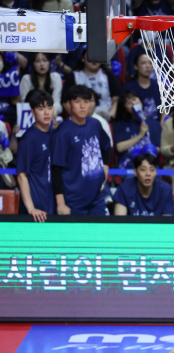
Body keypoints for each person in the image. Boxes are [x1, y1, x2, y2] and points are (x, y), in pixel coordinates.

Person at [52, 85, 111, 216]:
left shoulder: (95, 124)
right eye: (78, 102)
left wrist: (105, 171)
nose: (83, 106)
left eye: (86, 101)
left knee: (101, 235)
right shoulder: (62, 133)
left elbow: (107, 147)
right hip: (73, 201)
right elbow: (56, 170)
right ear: (68, 104)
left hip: (96, 197)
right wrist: (61, 204)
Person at [16, 90, 55, 222]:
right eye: (41, 109)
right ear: (32, 112)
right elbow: (22, 176)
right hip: (36, 211)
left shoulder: (56, 135)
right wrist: (31, 208)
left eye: (49, 108)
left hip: (54, 206)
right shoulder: (28, 140)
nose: (46, 113)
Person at [62, 47, 121, 120]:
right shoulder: (73, 76)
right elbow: (65, 101)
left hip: (106, 117)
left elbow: (116, 100)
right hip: (80, 119)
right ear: (83, 59)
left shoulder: (109, 76)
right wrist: (77, 118)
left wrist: (110, 117)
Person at [114, 90, 162, 169]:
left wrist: (145, 153)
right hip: (128, 162)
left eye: (134, 99)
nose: (133, 103)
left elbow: (159, 148)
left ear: (141, 101)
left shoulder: (154, 124)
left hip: (150, 162)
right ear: (125, 109)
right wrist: (140, 135)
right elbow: (119, 148)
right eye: (128, 103)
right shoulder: (122, 124)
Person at [121, 52, 163, 122]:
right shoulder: (128, 88)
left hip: (156, 124)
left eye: (150, 63)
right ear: (135, 66)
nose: (148, 66)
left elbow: (165, 109)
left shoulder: (159, 86)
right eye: (143, 63)